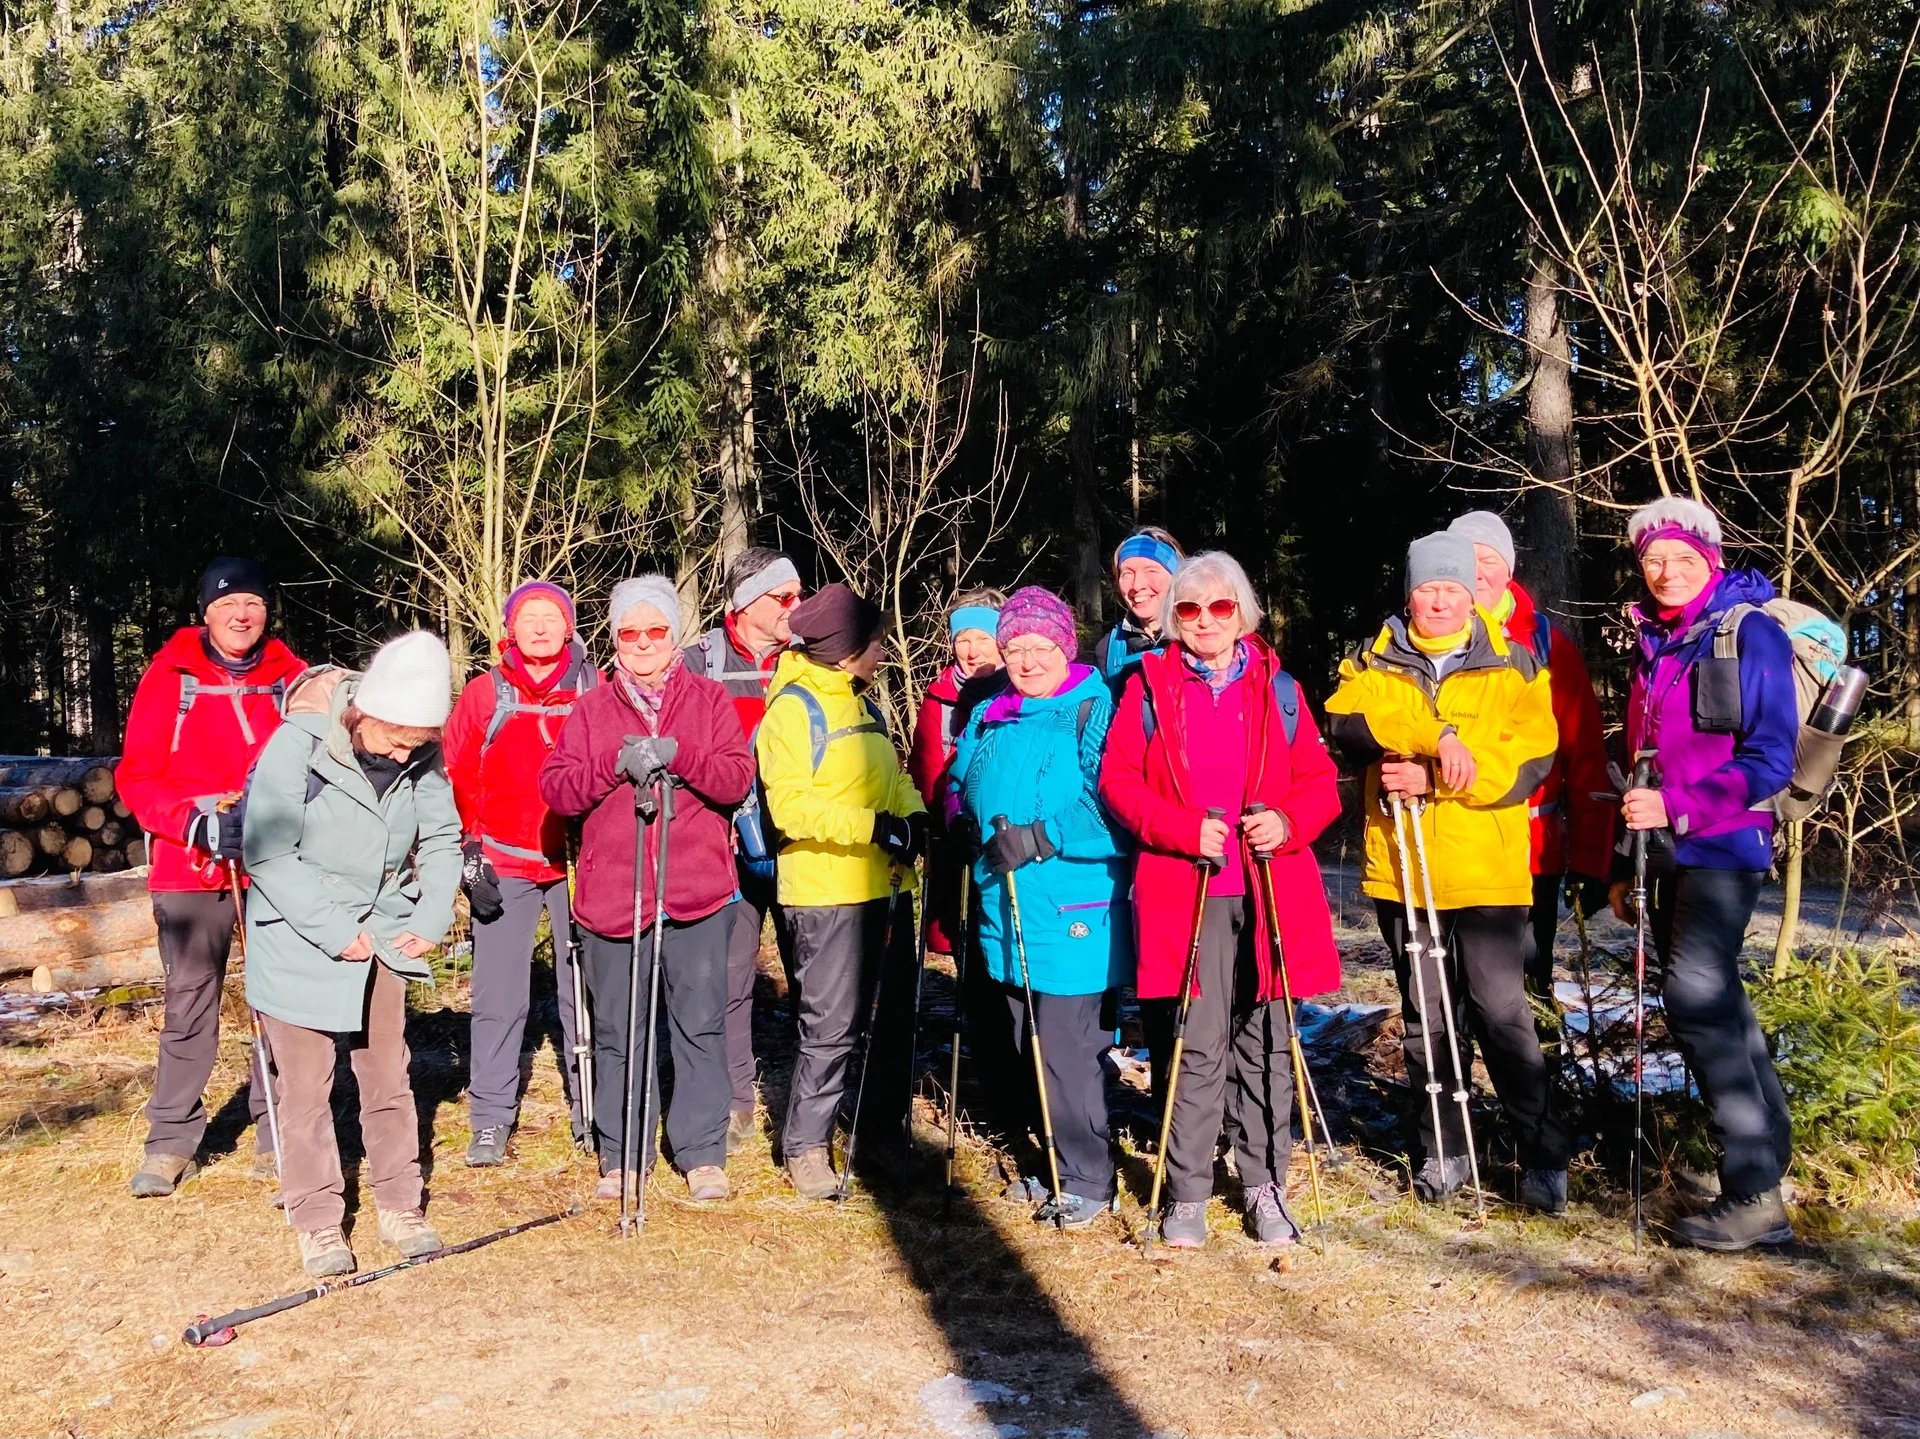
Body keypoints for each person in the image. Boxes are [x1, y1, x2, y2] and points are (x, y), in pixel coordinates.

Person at [1101, 552, 1344, 1248]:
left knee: (1265, 1041)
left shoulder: (1281, 688)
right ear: (1174, 619)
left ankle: (1265, 1182)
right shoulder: (1147, 688)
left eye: (1221, 607)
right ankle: (1186, 1194)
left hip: (1270, 888)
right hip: (1188, 888)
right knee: (1193, 1043)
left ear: (1244, 613)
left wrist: (1288, 821)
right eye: (1189, 608)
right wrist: (1181, 829)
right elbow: (1118, 781)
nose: (1205, 620)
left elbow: (1322, 784)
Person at [1324, 531, 1571, 1212]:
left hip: (1487, 872)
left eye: (1451, 589)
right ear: (1410, 593)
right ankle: (1444, 1148)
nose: (1438, 600)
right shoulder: (1374, 659)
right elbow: (1348, 722)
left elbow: (1532, 760)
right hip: (1405, 869)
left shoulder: (1515, 663)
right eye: (1427, 588)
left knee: (1501, 1011)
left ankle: (1542, 1154)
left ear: (1472, 595)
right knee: (1426, 1015)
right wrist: (1435, 736)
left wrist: (1437, 776)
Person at [242, 632, 462, 1277]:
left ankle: (400, 1205)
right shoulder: (297, 746)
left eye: (417, 744)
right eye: (394, 739)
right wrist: (335, 929)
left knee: (388, 1077)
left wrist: (429, 913)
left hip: (383, 937)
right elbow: (269, 852)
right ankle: (315, 1220)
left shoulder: (421, 757)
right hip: (299, 936)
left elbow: (444, 837)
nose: (403, 755)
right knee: (306, 1089)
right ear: (363, 711)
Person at [1612, 496, 1798, 1252]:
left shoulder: (1747, 632)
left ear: (1711, 561)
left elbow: (1770, 759)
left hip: (1725, 843)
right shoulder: (1658, 641)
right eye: (1654, 558)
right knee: (1715, 993)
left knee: (1693, 992)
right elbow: (1642, 760)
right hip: (1669, 848)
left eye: (1683, 559)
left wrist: (1679, 807)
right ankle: (1767, 1164)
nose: (1666, 571)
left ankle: (1753, 1191)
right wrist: (1625, 863)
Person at [539, 576, 756, 1204]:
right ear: (612, 638)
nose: (641, 643)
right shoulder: (591, 708)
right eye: (628, 632)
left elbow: (737, 778)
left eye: (654, 631)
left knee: (699, 1026)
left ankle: (701, 1151)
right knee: (618, 1030)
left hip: (697, 893)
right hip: (615, 897)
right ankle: (623, 1155)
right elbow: (556, 789)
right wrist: (612, 766)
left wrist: (681, 755)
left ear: (674, 636)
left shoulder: (710, 700)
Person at [117, 557, 308, 1198]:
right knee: (189, 1003)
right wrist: (192, 823)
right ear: (205, 612)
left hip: (275, 866)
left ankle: (277, 1126)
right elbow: (136, 778)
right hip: (189, 865)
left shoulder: (293, 679)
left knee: (279, 1000)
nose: (241, 614)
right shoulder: (169, 680)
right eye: (228, 604)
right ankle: (171, 1141)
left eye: (253, 602)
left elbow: (322, 762)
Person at [948, 587, 1128, 1228]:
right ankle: (1045, 1162)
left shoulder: (1094, 706)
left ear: (1065, 646)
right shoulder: (992, 711)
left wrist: (1044, 836)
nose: (1026, 661)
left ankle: (1087, 1177)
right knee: (1022, 1041)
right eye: (1015, 648)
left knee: (1065, 1046)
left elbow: (1117, 803)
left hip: (1071, 905)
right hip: (1004, 901)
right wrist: (960, 819)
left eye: (1040, 647)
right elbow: (961, 781)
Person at [757, 583, 927, 1199]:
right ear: (845, 648)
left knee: (894, 1023)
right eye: (875, 640)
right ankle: (806, 1146)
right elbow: (792, 812)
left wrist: (914, 817)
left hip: (884, 886)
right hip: (824, 891)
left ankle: (882, 1139)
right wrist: (877, 828)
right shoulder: (794, 709)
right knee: (830, 1025)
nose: (884, 649)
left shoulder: (863, 705)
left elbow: (894, 780)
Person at [444, 581, 602, 1166]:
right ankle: (490, 1119)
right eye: (529, 617)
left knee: (582, 991)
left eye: (551, 617)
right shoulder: (486, 692)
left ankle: (590, 1110)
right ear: (511, 628)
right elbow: (457, 773)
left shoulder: (593, 688)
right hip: (504, 862)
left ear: (569, 627)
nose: (540, 627)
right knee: (497, 996)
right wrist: (468, 848)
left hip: (577, 867)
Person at [1449, 512, 1614, 999]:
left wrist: (1590, 859)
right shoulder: (1422, 640)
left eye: (1489, 559)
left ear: (1509, 569)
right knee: (1448, 992)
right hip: (1445, 849)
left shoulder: (1547, 646)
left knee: (1523, 992)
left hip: (1527, 852)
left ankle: (1543, 1075)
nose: (1477, 571)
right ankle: (1452, 1077)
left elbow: (1585, 754)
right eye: (1464, 559)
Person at [685, 546, 806, 1151]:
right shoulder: (699, 662)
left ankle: (812, 1110)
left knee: (813, 981)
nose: (796, 607)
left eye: (798, 595)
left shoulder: (815, 657)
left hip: (801, 846)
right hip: (723, 849)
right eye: (783, 597)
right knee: (727, 979)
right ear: (744, 604)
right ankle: (733, 1101)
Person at [908, 587, 1006, 958]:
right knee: (958, 937)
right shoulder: (939, 696)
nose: (972, 650)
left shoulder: (1022, 691)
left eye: (983, 638)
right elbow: (923, 764)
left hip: (1002, 837)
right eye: (962, 639)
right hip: (951, 836)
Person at [1096, 527, 1185, 681]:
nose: (1137, 585)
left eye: (1151, 571)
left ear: (1176, 577)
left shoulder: (1200, 635)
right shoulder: (1109, 650)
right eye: (1127, 574)